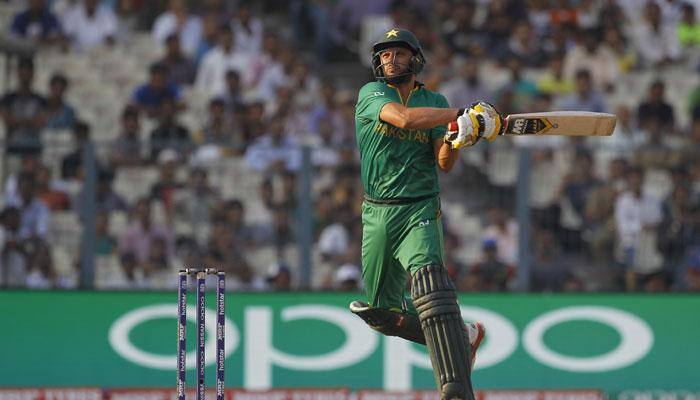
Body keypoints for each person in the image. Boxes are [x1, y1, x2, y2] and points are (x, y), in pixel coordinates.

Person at [348, 28, 502, 400]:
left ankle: (456, 389)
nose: (390, 60)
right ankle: (463, 336)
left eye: (398, 54)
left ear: (415, 60)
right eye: (384, 55)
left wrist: (458, 137)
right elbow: (402, 119)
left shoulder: (433, 99)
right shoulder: (372, 94)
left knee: (429, 285)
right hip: (378, 213)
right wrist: (461, 114)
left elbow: (444, 163)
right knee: (383, 316)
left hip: (419, 206)